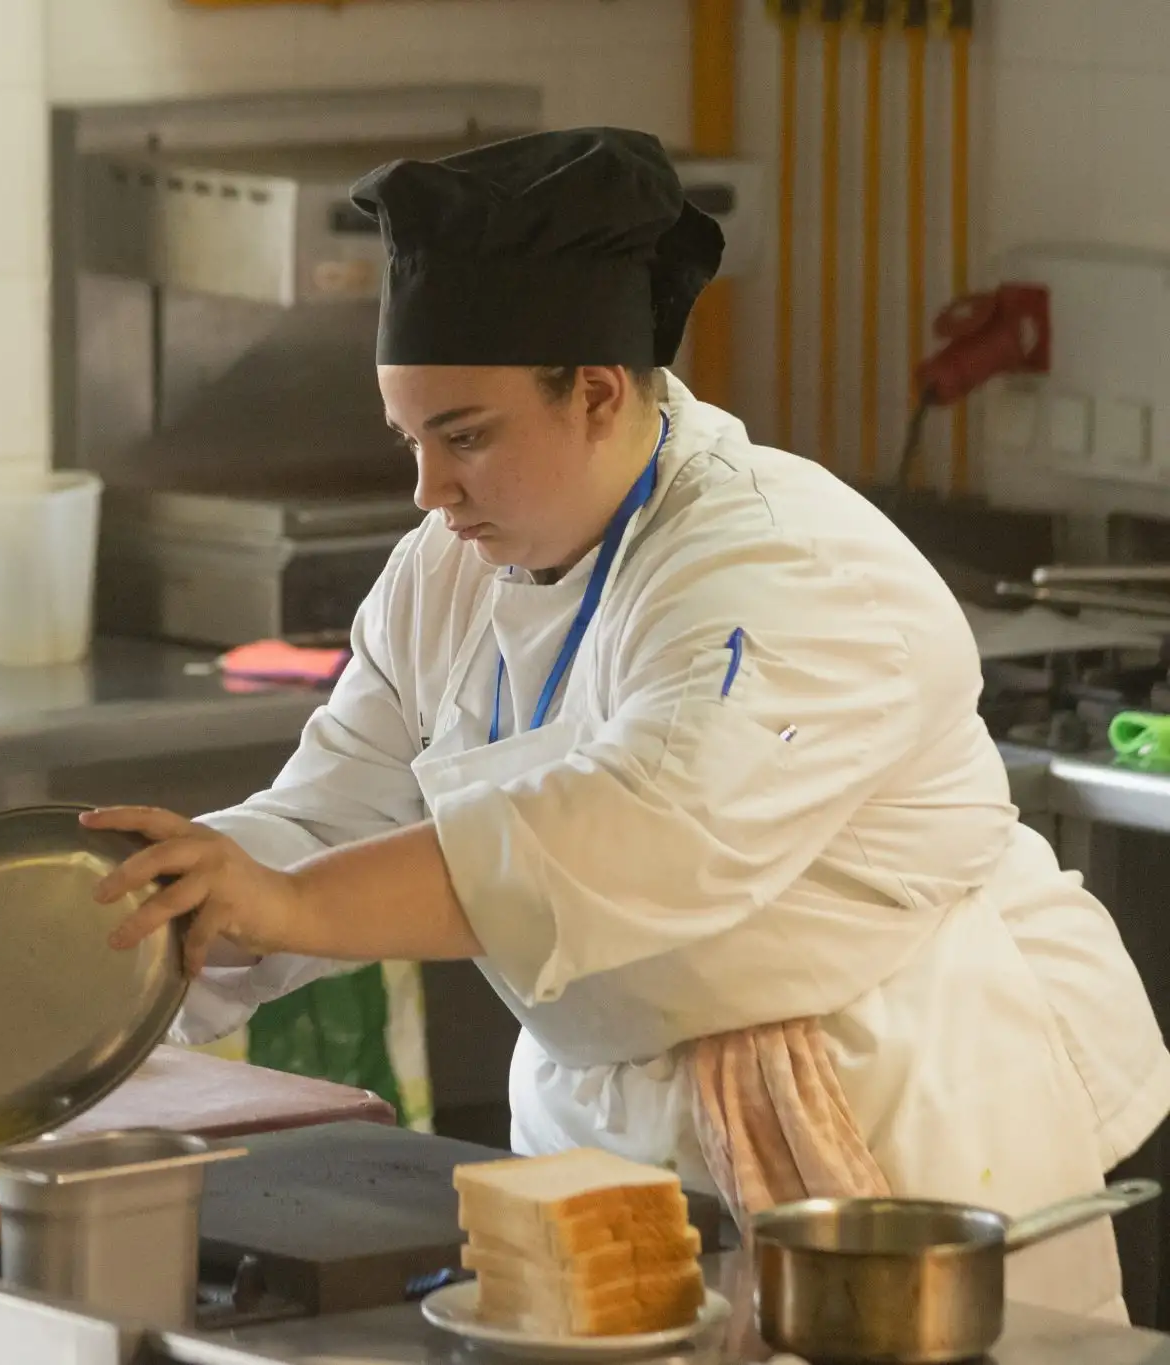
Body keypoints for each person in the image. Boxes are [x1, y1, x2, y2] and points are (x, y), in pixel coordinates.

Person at [83, 127, 1170, 1320]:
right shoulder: (440, 575)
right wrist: (136, 944)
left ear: (597, 392)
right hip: (599, 1153)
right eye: (411, 440)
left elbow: (631, 833)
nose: (428, 492)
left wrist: (292, 902)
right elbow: (328, 818)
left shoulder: (776, 566)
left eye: (465, 437)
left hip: (889, 1156)